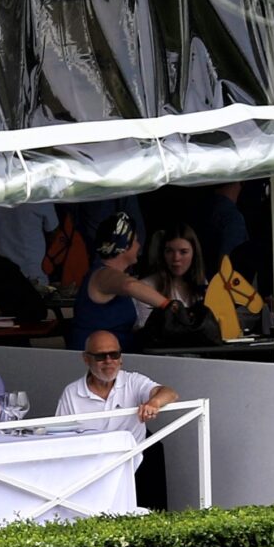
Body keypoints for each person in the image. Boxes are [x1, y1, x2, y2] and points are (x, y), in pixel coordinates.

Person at [54, 331, 181, 510]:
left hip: (134, 465)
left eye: (114, 354)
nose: (109, 361)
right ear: (86, 359)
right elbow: (60, 440)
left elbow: (170, 393)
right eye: (101, 356)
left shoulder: (132, 381)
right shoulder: (72, 393)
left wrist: (154, 402)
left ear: (121, 358)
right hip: (91, 473)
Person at [71, 211, 171, 351]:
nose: (139, 246)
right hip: (97, 356)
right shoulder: (102, 274)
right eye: (135, 241)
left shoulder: (107, 274)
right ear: (124, 246)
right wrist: (169, 305)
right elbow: (129, 285)